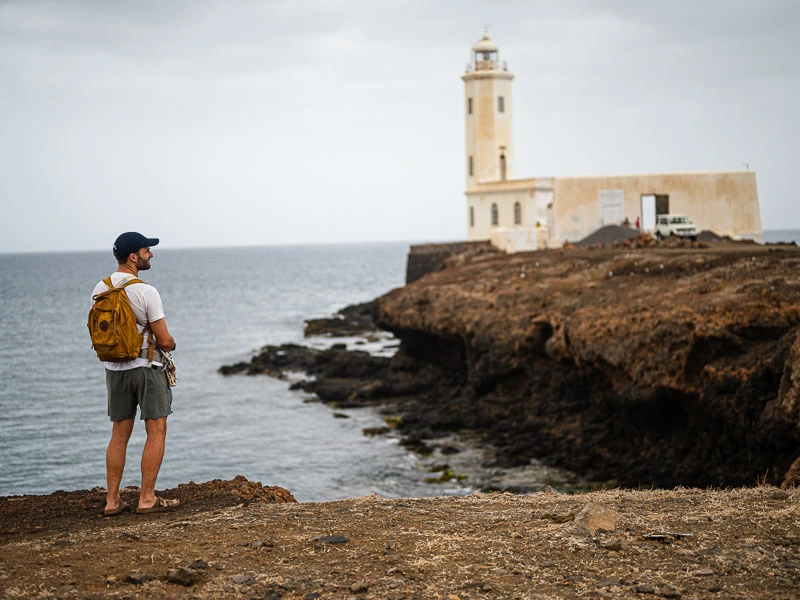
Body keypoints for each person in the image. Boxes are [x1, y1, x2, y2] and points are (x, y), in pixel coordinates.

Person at [91, 232, 180, 516]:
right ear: (133, 256)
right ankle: (146, 498)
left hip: (114, 370)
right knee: (156, 431)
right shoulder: (145, 291)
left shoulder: (99, 288)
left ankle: (112, 501)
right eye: (146, 250)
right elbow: (164, 341)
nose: (150, 254)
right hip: (146, 368)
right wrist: (173, 344)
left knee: (119, 434)